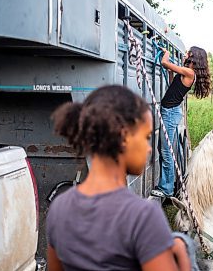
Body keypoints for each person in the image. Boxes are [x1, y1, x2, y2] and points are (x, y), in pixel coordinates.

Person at [46, 85, 193, 271]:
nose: (149, 148)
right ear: (124, 136)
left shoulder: (59, 208)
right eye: (146, 137)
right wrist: (182, 254)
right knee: (183, 244)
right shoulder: (143, 216)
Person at [150, 46, 211, 198]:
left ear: (193, 56)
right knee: (163, 147)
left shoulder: (190, 72)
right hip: (170, 111)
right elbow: (173, 84)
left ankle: (166, 188)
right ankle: (166, 184)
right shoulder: (186, 72)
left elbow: (164, 63)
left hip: (170, 113)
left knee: (166, 150)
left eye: (187, 52)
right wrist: (172, 71)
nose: (185, 54)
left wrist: (167, 54)